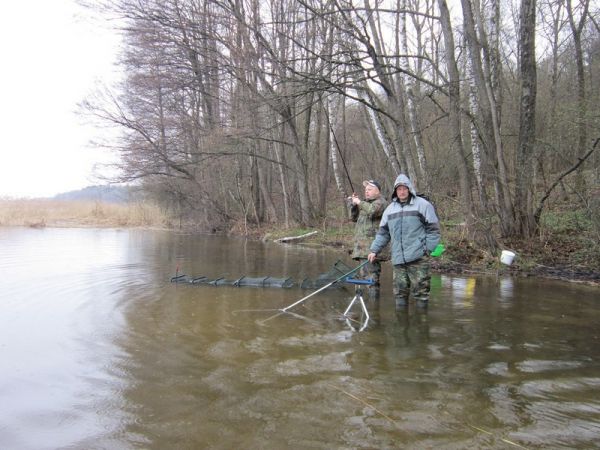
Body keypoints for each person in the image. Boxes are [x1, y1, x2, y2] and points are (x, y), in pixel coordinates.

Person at [367, 174, 440, 309]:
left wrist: (427, 250)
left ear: (409, 189)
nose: (402, 191)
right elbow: (383, 233)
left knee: (421, 294)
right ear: (395, 191)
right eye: (399, 189)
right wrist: (374, 250)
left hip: (418, 258)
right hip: (398, 260)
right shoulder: (390, 210)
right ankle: (402, 327)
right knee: (400, 295)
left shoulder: (423, 205)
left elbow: (434, 231)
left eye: (404, 188)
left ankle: (421, 325)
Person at [349, 179, 388, 299]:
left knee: (372, 280)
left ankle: (373, 309)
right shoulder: (365, 204)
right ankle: (369, 308)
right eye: (366, 190)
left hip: (372, 249)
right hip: (361, 249)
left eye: (370, 189)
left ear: (378, 191)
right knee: (364, 279)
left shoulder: (381, 202)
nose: (367, 192)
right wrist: (354, 205)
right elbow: (353, 218)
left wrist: (359, 202)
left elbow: (372, 210)